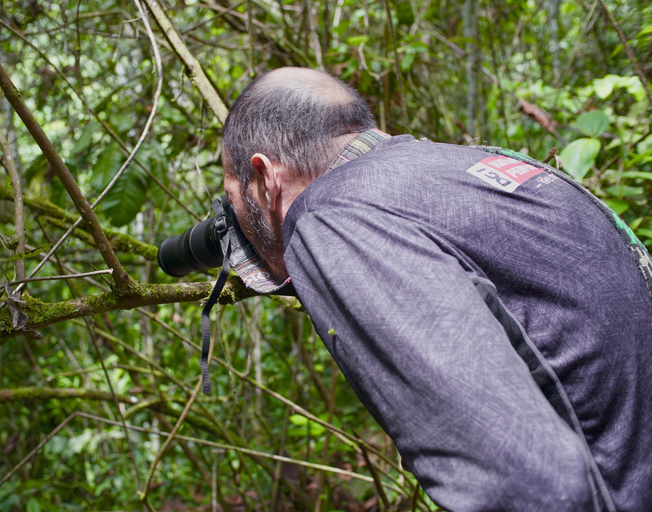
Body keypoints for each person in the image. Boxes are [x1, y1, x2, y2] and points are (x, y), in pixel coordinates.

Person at [220, 67, 652, 512]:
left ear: (265, 175)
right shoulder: (469, 167)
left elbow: (525, 484)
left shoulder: (334, 218)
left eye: (233, 197)